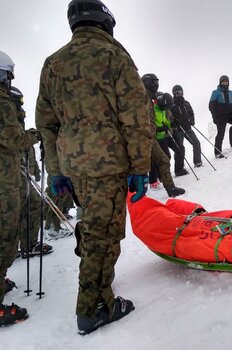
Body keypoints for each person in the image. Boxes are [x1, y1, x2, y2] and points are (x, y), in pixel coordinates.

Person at [35, 0, 153, 335]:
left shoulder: (53, 64)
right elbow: (136, 119)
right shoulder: (115, 57)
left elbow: (47, 124)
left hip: (74, 167)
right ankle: (94, 308)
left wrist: (57, 170)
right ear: (105, 22)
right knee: (105, 235)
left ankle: (95, 291)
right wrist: (141, 167)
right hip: (109, 164)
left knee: (92, 228)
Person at [0, 50, 40, 326]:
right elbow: (13, 140)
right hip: (4, 180)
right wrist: (36, 135)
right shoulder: (2, 101)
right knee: (5, 234)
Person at [10, 86, 54, 257]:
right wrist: (37, 134)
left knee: (32, 203)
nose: (20, 107)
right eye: (18, 103)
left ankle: (28, 244)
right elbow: (15, 141)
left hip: (16, 171)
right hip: (8, 174)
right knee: (10, 212)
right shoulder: (6, 114)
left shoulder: (14, 117)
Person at [141, 75, 186, 197]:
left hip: (151, 137)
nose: (157, 84)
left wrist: (171, 124)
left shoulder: (150, 99)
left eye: (157, 82)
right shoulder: (140, 98)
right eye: (154, 82)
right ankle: (139, 192)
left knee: (164, 160)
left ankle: (171, 189)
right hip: (140, 137)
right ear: (148, 83)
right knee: (141, 165)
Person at [170, 85, 203, 167]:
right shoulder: (172, 105)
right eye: (177, 93)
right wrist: (173, 123)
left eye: (181, 92)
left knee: (196, 143)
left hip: (188, 128)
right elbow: (169, 117)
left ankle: (197, 161)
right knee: (179, 149)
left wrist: (192, 120)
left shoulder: (186, 103)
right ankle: (179, 168)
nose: (180, 94)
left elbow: (191, 113)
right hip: (178, 131)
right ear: (174, 94)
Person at [209, 75, 232, 158]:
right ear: (220, 83)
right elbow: (211, 106)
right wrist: (215, 116)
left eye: (226, 82)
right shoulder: (216, 92)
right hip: (220, 117)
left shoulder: (231, 93)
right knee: (220, 133)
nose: (225, 84)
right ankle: (218, 153)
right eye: (223, 82)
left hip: (230, 115)